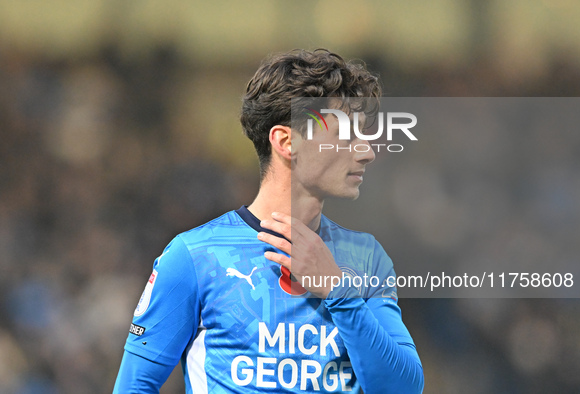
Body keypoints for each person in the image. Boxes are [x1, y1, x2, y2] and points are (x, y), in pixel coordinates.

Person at [114, 49, 424, 393]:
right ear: (286, 141)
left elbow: (403, 388)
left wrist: (339, 291)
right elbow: (133, 387)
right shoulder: (194, 256)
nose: (367, 151)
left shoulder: (366, 257)